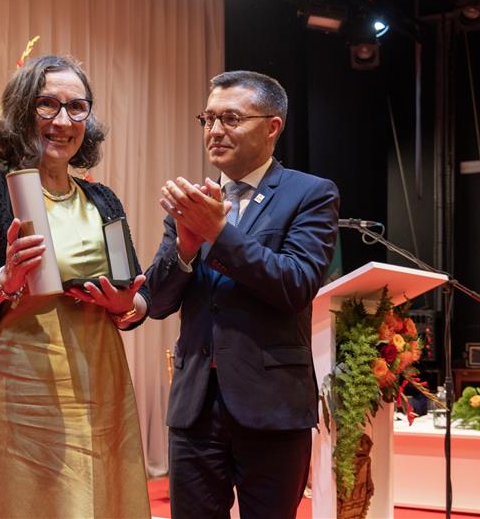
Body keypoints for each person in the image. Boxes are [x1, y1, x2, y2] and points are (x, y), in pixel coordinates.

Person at [0, 55, 151, 519]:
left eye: (77, 107)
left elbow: (134, 291)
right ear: (21, 111)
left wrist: (128, 306)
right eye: (47, 105)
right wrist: (4, 280)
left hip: (101, 391)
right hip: (18, 398)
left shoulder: (102, 199)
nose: (62, 121)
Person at [145, 70, 339, 519]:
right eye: (208, 119)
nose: (214, 130)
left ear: (272, 127)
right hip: (195, 407)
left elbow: (295, 284)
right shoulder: (194, 201)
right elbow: (156, 302)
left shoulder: (310, 193)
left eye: (230, 118)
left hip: (272, 406)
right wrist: (185, 249)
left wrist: (219, 233)